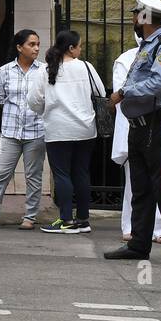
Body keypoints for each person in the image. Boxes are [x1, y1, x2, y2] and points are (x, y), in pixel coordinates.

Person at [105, 0, 161, 266]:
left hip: (158, 122)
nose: (132, 19)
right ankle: (139, 244)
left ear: (144, 18)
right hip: (138, 125)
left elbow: (159, 83)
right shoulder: (146, 46)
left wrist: (123, 92)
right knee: (140, 188)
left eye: (135, 14)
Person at [28, 29, 104, 235]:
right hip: (85, 129)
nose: (81, 49)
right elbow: (101, 93)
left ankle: (66, 220)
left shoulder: (45, 70)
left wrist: (46, 110)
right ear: (71, 48)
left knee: (62, 174)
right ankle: (83, 219)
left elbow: (34, 101)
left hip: (58, 129)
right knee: (81, 173)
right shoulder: (86, 67)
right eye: (79, 46)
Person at [0, 30, 45, 230]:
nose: (36, 48)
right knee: (1, 174)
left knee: (33, 176)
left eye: (37, 44)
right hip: (11, 132)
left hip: (36, 131)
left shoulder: (44, 70)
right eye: (31, 44)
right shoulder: (5, 71)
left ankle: (30, 217)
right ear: (19, 47)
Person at [110, 33, 161, 248]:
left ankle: (160, 228)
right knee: (135, 181)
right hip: (133, 124)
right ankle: (131, 226)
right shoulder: (125, 60)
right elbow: (121, 96)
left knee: (160, 179)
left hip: (159, 122)